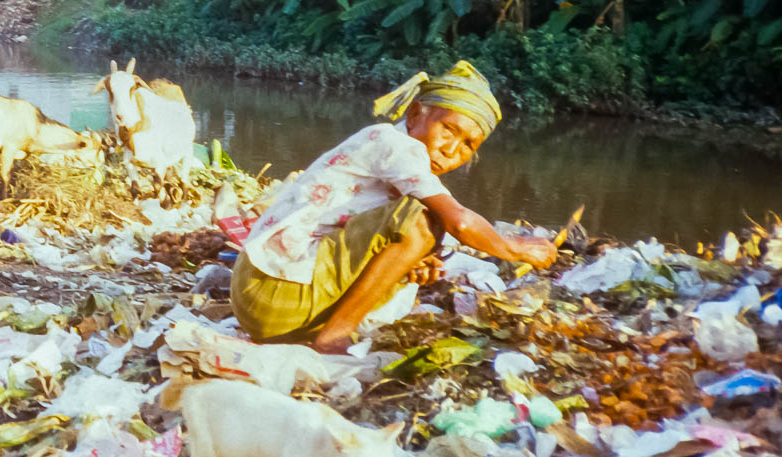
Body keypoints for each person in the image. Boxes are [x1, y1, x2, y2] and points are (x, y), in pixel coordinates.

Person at [231, 60, 557, 354]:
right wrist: (514, 247)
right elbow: (460, 223)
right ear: (415, 114)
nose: (452, 150)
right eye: (449, 130)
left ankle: (330, 332)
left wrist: (406, 267)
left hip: (284, 311)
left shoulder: (410, 168)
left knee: (421, 238)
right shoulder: (395, 144)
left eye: (468, 145)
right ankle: (333, 336)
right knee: (423, 221)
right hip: (267, 293)